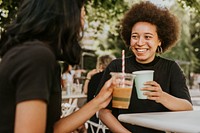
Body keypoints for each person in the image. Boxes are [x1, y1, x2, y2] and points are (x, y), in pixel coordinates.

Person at [0, 0, 114, 133]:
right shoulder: (37, 57)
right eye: (82, 16)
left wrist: (99, 101)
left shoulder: (30, 53)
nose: (83, 25)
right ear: (65, 17)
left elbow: (51, 128)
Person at [95, 1, 193, 133]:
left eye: (148, 37)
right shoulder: (117, 66)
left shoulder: (170, 68)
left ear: (159, 40)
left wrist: (162, 96)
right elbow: (103, 112)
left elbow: (187, 107)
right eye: (135, 36)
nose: (140, 43)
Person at [83, 54, 115, 133]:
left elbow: (85, 92)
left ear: (100, 64)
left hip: (93, 121)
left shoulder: (95, 77)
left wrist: (88, 77)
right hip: (111, 123)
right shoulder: (115, 79)